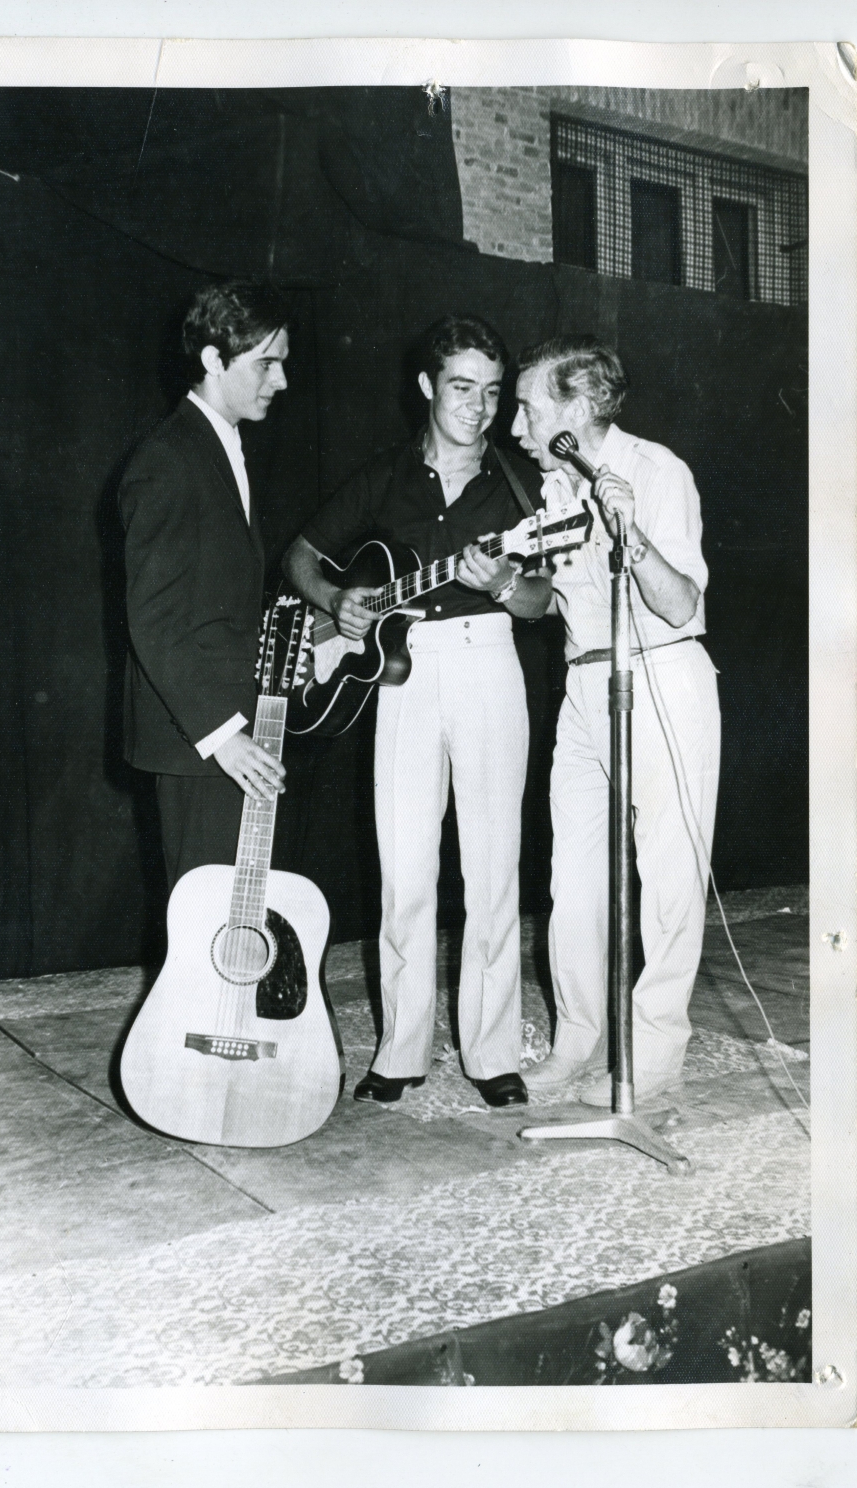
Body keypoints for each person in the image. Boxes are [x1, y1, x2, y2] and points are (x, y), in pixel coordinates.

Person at [284, 315, 551, 1108]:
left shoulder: (522, 489)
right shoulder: (385, 476)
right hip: (401, 676)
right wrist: (339, 599)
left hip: (487, 660)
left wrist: (503, 582)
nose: (478, 407)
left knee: (493, 865)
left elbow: (540, 602)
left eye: (493, 392)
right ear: (429, 387)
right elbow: (300, 555)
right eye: (462, 388)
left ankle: (492, 1050)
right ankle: (399, 1052)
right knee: (403, 868)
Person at [512, 335, 721, 1105]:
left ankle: (655, 1060)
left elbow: (679, 603)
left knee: (667, 883)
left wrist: (628, 531)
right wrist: (505, 576)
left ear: (577, 407)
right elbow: (541, 598)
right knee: (572, 881)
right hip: (583, 686)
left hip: (661, 675)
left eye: (528, 409)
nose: (515, 427)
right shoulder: (555, 492)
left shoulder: (657, 473)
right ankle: (577, 1043)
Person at [120, 281, 290, 890]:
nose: (281, 380)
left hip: (228, 732)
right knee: (204, 932)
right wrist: (224, 738)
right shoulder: (170, 458)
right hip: (203, 741)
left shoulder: (220, 447)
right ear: (214, 360)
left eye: (283, 364)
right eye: (265, 363)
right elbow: (155, 619)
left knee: (229, 920)